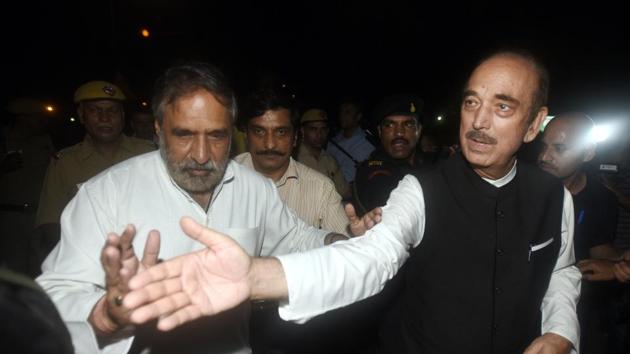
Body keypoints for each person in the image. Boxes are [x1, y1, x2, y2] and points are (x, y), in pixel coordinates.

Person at [123, 50, 582, 354]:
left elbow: (561, 270)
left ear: (534, 123)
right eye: (470, 103)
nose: (479, 121)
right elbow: (370, 257)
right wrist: (257, 275)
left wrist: (561, 331)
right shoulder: (422, 190)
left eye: (502, 107)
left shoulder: (553, 198)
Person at [35, 63, 367, 354]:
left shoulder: (255, 188)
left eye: (217, 136)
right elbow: (54, 297)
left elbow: (297, 238)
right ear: (157, 130)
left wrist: (346, 241)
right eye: (184, 135)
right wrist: (107, 315)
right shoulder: (103, 196)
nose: (201, 154)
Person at [34, 81, 155, 264]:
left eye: (112, 111)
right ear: (82, 115)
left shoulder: (149, 154)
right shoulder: (65, 163)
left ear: (122, 116)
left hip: (146, 255)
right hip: (89, 262)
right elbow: (50, 223)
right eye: (95, 111)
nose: (104, 118)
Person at [538, 112, 626, 353]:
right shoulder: (522, 188)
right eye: (543, 146)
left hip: (577, 305)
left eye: (560, 148)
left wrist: (620, 264)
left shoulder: (602, 197)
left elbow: (600, 247)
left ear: (588, 153)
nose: (545, 157)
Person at [235, 90, 349, 234]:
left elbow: (343, 248)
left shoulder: (321, 190)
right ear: (246, 135)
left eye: (281, 132)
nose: (270, 144)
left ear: (295, 138)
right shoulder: (223, 179)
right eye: (259, 131)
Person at [0, 98, 56, 276]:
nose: (43, 122)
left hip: (39, 216)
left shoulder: (44, 141)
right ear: (23, 118)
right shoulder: (3, 139)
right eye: (38, 117)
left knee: (43, 269)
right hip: (10, 218)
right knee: (13, 273)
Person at [353, 94, 433, 215]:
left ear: (419, 130)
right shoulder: (373, 172)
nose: (399, 133)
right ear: (380, 131)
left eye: (408, 124)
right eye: (390, 125)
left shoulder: (433, 162)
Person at [297, 108, 351, 199]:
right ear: (302, 131)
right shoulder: (294, 158)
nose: (319, 134)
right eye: (313, 129)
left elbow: (344, 192)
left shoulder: (330, 160)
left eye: (323, 129)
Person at [326, 98, 374, 184]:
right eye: (341, 111)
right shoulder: (333, 141)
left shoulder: (365, 142)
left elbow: (352, 176)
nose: (342, 115)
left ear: (358, 116)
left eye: (347, 112)